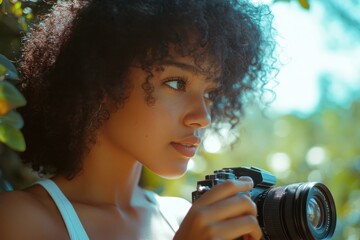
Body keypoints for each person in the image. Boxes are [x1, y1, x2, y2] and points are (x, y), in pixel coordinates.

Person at [0, 0, 276, 239]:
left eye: (211, 93)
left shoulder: (184, 217)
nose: (202, 118)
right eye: (177, 83)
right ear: (103, 80)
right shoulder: (17, 220)